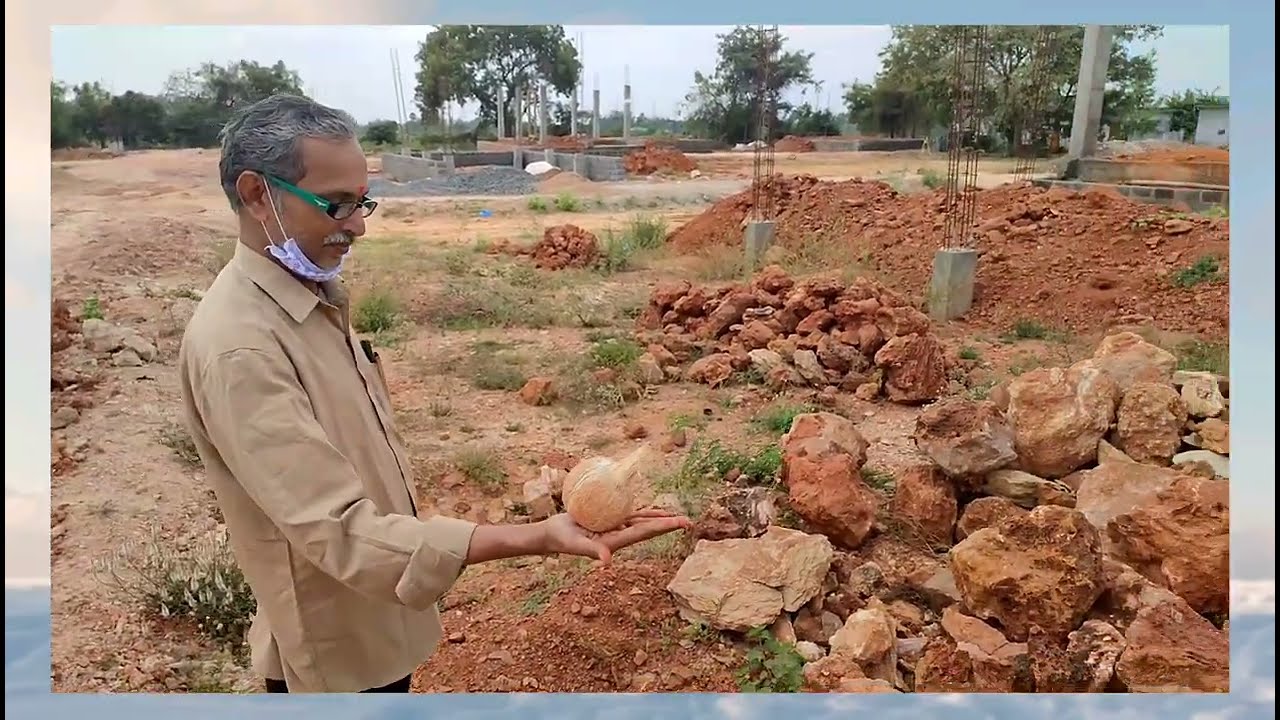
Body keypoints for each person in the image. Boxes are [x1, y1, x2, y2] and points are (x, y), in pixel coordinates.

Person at [177, 93, 692, 694]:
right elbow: (339, 530)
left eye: (361, 202)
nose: (358, 225)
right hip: (337, 656)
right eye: (336, 205)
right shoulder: (242, 347)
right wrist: (537, 537)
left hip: (380, 624)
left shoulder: (309, 302)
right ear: (257, 194)